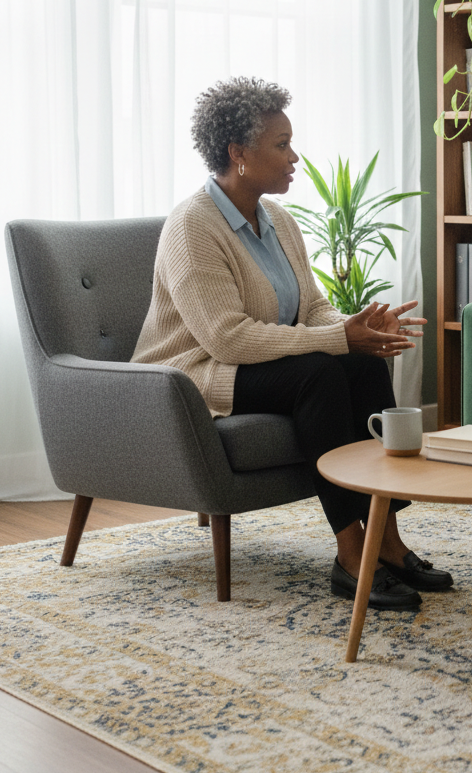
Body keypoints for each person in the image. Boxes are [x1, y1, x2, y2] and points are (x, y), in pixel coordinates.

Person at [132, 76, 451, 611]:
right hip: (198, 373)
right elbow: (227, 339)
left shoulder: (278, 219)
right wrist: (337, 339)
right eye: (281, 145)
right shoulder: (192, 227)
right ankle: (350, 554)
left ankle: (387, 541)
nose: (294, 157)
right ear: (238, 153)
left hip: (254, 362)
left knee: (363, 365)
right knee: (318, 375)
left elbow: (313, 307)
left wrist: (357, 328)